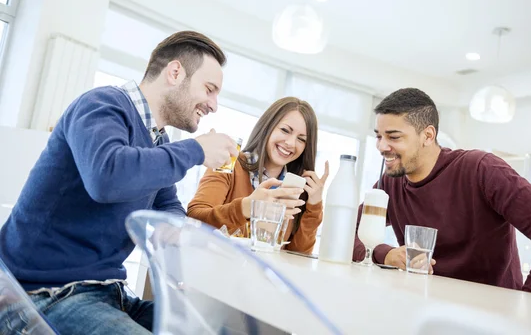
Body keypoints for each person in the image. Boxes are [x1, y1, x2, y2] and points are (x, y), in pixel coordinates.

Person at [0, 31, 239, 335]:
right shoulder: (101, 105)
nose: (214, 105)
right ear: (175, 72)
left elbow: (167, 205)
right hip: (43, 293)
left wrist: (174, 233)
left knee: (222, 330)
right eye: (209, 89)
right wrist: (197, 149)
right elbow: (107, 177)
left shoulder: (158, 141)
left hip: (108, 293)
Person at [353, 87, 531, 298]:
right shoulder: (390, 184)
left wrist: (529, 312)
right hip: (424, 309)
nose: (382, 146)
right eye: (379, 136)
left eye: (393, 137)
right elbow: (348, 233)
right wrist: (386, 254)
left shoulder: (482, 169)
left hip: (490, 317)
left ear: (428, 135)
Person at [188, 97, 328, 254]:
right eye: (285, 130)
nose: (291, 143)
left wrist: (314, 206)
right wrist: (247, 207)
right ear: (268, 127)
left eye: (301, 139)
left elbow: (297, 255)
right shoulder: (229, 161)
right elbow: (196, 220)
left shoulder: (294, 188)